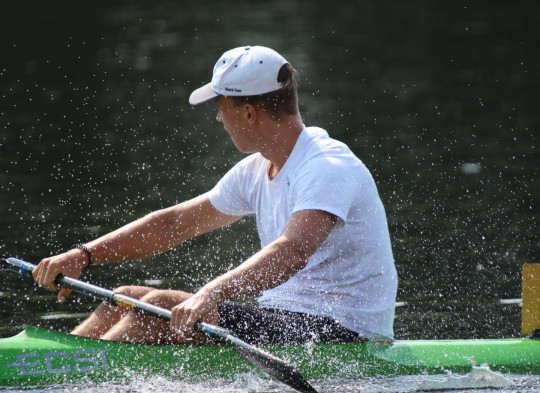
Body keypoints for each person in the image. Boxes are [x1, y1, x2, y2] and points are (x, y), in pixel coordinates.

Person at [33, 45, 398, 345]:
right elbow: (174, 224)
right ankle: (56, 367)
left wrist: (212, 292)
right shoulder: (258, 168)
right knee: (125, 297)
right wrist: (84, 254)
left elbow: (291, 250)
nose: (220, 120)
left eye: (221, 110)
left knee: (155, 304)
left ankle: (77, 382)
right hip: (286, 322)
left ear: (250, 113)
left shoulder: (327, 166)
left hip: (347, 333)